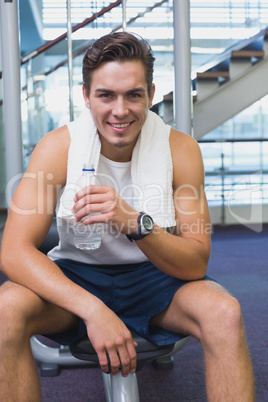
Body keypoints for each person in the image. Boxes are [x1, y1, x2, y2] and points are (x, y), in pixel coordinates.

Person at [0, 32, 255, 401]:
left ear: (150, 95)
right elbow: (13, 251)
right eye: (106, 95)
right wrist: (93, 309)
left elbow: (196, 262)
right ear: (85, 97)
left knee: (225, 313)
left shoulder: (181, 151)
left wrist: (135, 223)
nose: (120, 110)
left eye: (133, 94)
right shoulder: (57, 148)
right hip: (77, 275)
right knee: (6, 307)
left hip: (155, 278)